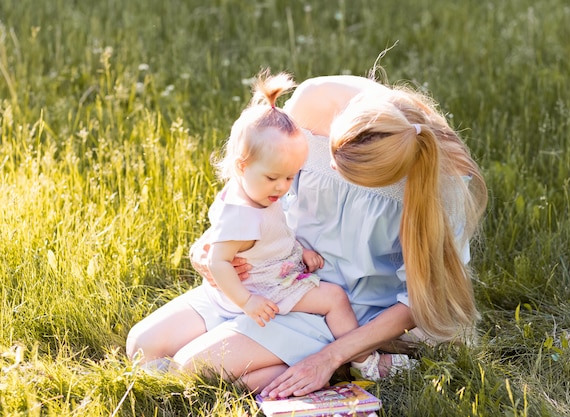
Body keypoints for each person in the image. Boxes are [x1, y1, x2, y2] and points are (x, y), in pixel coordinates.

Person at [126, 68, 488, 397]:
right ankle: (291, 364)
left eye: (350, 174)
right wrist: (209, 247)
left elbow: (417, 302)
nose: (331, 165)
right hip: (276, 272)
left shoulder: (443, 185)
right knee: (143, 345)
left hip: (342, 308)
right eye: (334, 153)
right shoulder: (318, 101)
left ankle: (352, 359)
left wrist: (329, 357)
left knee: (194, 370)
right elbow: (255, 180)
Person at [125, 70, 382, 384]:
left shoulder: (256, 189)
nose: (282, 187)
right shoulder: (241, 215)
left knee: (334, 300)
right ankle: (350, 364)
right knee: (336, 300)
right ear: (241, 165)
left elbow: (277, 233)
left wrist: (303, 250)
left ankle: (362, 361)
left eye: (290, 177)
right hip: (265, 290)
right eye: (274, 178)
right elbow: (218, 261)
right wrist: (247, 302)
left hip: (269, 282)